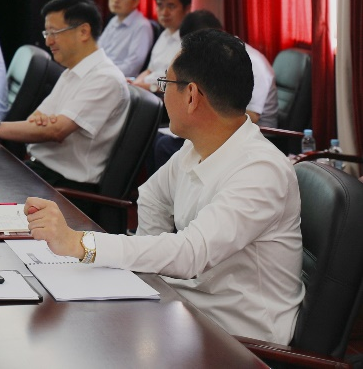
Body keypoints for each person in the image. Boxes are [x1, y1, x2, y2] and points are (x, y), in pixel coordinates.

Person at [25, 28, 302, 345]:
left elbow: (191, 253)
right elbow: (153, 196)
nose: (162, 93)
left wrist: (80, 243)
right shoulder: (197, 146)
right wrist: (147, 274)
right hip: (187, 309)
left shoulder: (260, 171)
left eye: (165, 84)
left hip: (239, 337)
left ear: (191, 96)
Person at [0, 0, 129, 193]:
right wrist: (44, 124)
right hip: (42, 173)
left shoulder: (105, 78)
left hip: (65, 188)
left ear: (83, 32)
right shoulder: (72, 72)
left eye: (54, 33)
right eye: (47, 34)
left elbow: (55, 131)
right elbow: (36, 120)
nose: (48, 42)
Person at [147, 9, 279, 172]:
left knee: (165, 146)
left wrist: (203, 116)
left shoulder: (251, 62)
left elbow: (251, 115)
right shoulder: (214, 60)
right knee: (156, 138)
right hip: (219, 126)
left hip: (254, 134)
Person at [132, 0, 191, 92]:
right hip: (147, 91)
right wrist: (135, 84)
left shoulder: (190, 41)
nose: (164, 12)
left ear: (187, 8)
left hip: (164, 97)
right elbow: (149, 71)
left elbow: (180, 85)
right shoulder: (164, 34)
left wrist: (146, 87)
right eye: (160, 6)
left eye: (171, 6)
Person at [96, 0, 154, 77]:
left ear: (136, 1)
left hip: (118, 78)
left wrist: (103, 73)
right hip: (101, 73)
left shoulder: (142, 26)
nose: (116, 0)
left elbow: (132, 66)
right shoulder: (114, 20)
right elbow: (98, 49)